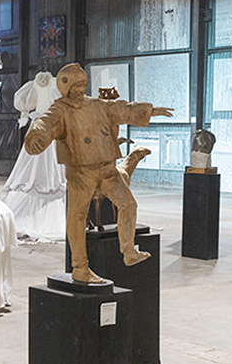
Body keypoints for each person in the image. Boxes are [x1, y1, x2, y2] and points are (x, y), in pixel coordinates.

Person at [24, 63, 172, 283]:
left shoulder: (96, 104)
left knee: (128, 204)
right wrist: (36, 137)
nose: (80, 90)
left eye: (83, 85)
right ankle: (80, 267)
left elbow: (121, 109)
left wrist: (149, 111)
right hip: (80, 170)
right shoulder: (60, 109)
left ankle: (129, 251)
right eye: (75, 86)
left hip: (107, 168)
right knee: (77, 215)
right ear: (65, 87)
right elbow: (44, 123)